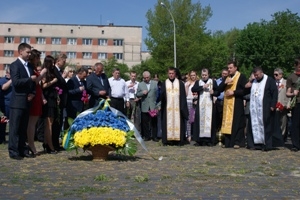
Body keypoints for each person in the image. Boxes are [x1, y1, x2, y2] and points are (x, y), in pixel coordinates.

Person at [8, 43, 36, 160]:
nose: (29, 54)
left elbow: (33, 83)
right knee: (15, 127)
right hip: (17, 101)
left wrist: (33, 93)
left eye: (30, 52)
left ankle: (22, 149)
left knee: (23, 127)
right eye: (27, 52)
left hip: (27, 100)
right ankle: (13, 151)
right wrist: (29, 79)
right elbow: (16, 82)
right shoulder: (15, 65)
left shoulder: (29, 66)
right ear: (20, 52)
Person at [244, 66, 278, 151]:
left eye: (257, 75)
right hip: (254, 108)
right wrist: (247, 85)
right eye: (255, 75)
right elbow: (245, 92)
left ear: (261, 73)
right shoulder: (253, 82)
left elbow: (274, 93)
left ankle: (267, 145)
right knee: (254, 125)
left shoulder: (269, 80)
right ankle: (256, 144)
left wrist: (273, 105)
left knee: (266, 126)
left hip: (265, 107)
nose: (256, 77)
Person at [217, 61, 247, 149]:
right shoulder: (227, 77)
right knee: (227, 123)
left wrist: (233, 92)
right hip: (227, 104)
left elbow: (244, 91)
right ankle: (228, 142)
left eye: (230, 68)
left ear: (235, 68)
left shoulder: (241, 77)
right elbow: (219, 89)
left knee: (237, 123)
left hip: (236, 103)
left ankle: (237, 142)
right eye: (228, 68)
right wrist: (225, 83)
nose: (229, 70)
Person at [160, 67, 189, 146]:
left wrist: (183, 108)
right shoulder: (165, 83)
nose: (171, 75)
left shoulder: (180, 83)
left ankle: (179, 140)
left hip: (178, 108)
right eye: (170, 73)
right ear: (168, 74)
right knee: (167, 122)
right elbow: (161, 96)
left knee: (179, 123)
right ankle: (167, 140)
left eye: (172, 73)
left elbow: (183, 97)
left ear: (175, 74)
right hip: (167, 108)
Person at [27, 49, 47, 156]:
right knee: (32, 122)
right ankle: (31, 144)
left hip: (38, 96)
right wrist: (42, 74)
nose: (39, 60)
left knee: (34, 122)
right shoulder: (30, 68)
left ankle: (31, 144)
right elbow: (34, 82)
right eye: (37, 57)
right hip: (33, 97)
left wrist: (42, 97)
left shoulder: (34, 67)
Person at [192, 68, 219, 146]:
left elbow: (217, 92)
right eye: (203, 75)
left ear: (208, 75)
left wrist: (213, 92)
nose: (204, 76)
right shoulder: (198, 82)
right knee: (200, 122)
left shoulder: (213, 82)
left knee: (210, 122)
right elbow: (193, 89)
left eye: (205, 75)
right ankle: (199, 140)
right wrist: (202, 87)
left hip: (210, 105)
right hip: (200, 106)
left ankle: (210, 140)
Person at [41, 55, 58, 154]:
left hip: (53, 98)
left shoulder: (51, 71)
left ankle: (47, 143)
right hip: (47, 98)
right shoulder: (45, 71)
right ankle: (49, 145)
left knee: (50, 122)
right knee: (48, 123)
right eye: (52, 63)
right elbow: (42, 85)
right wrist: (52, 81)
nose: (53, 65)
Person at [52, 53, 68, 151]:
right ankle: (53, 144)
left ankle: (56, 144)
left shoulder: (59, 71)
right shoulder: (54, 70)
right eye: (63, 61)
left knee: (58, 123)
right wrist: (63, 76)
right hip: (57, 100)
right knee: (56, 123)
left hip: (62, 100)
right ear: (58, 61)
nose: (64, 62)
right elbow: (59, 82)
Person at [136, 71, 158, 141]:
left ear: (150, 77)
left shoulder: (155, 83)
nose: (146, 79)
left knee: (154, 122)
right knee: (145, 122)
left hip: (153, 105)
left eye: (147, 77)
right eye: (145, 78)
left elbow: (158, 94)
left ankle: (154, 136)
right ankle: (147, 136)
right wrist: (142, 93)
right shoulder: (140, 84)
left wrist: (158, 105)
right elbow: (137, 94)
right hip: (144, 106)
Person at [286, 58, 300, 152]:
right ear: (295, 66)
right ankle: (296, 144)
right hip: (297, 103)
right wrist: (293, 93)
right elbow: (287, 93)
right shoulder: (291, 77)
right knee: (296, 124)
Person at [184, 70, 198, 143]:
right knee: (190, 119)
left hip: (196, 101)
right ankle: (189, 135)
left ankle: (195, 135)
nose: (193, 76)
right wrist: (186, 87)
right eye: (191, 75)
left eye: (194, 75)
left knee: (196, 118)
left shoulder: (199, 82)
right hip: (189, 101)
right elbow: (186, 94)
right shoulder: (187, 83)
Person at [0, 66, 12, 144]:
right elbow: (4, 88)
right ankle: (2, 138)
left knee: (12, 123)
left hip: (13, 104)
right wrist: (11, 80)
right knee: (3, 122)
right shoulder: (2, 80)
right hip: (5, 104)